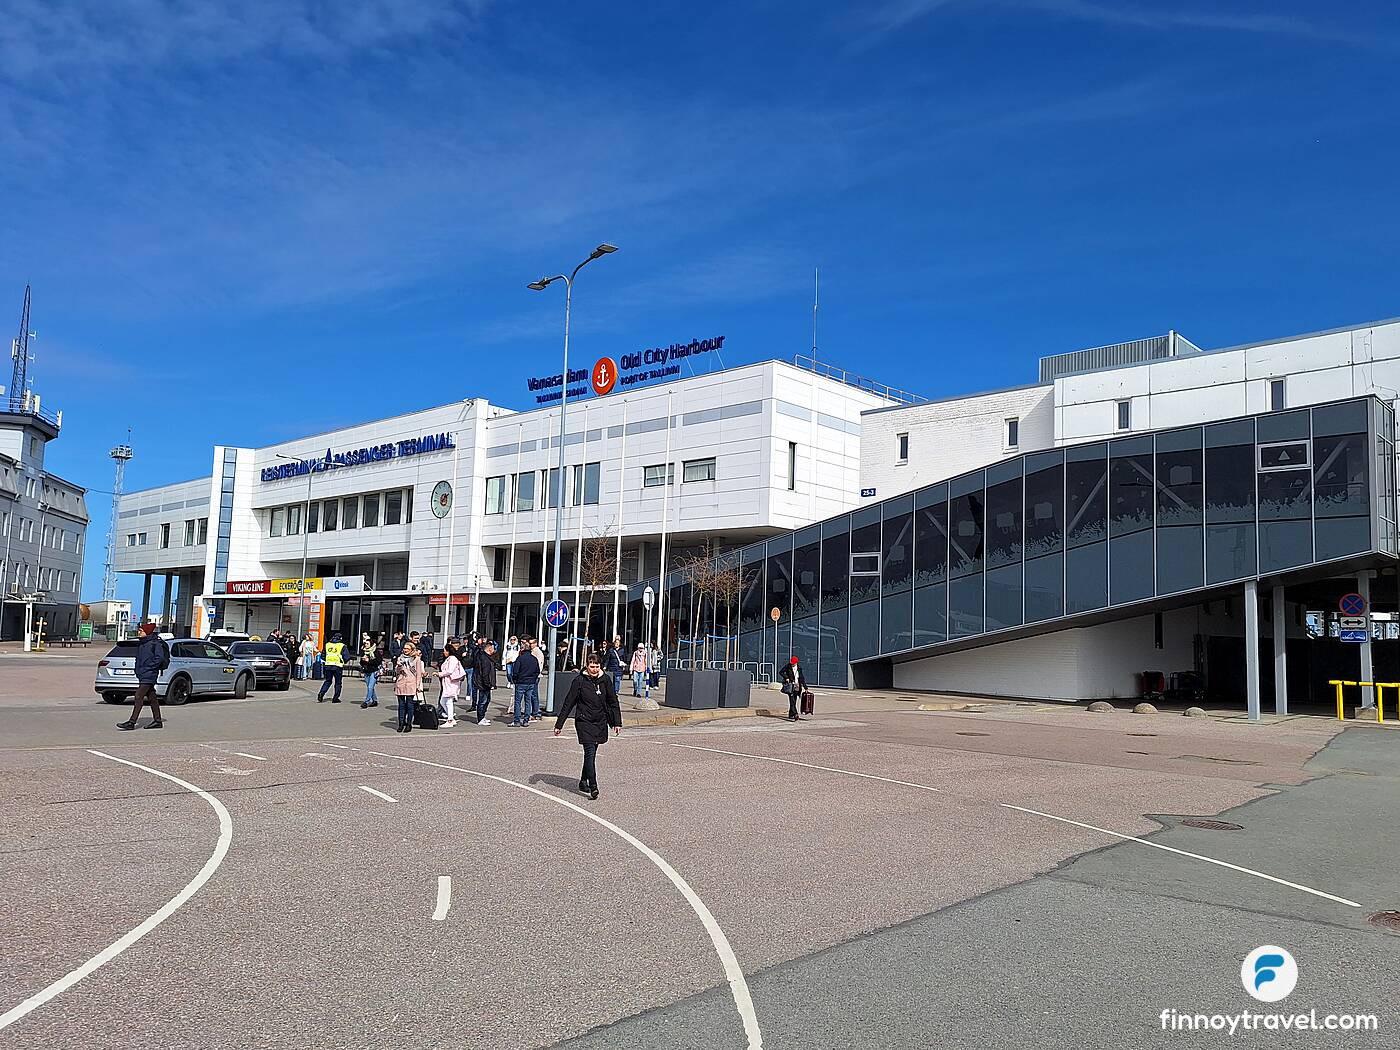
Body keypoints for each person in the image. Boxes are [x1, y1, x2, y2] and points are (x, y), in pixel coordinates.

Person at [553, 653, 622, 800]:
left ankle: (583, 781)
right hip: (584, 722)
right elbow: (568, 703)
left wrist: (617, 722)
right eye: (592, 666)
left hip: (600, 721)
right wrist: (559, 724)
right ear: (586, 665)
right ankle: (594, 786)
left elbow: (613, 702)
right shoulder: (579, 681)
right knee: (589, 753)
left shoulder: (605, 680)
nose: (595, 669)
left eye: (597, 666)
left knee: (591, 754)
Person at [117, 622, 170, 730]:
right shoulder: (142, 643)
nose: (139, 632)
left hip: (150, 674)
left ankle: (132, 722)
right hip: (143, 674)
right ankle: (157, 721)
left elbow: (159, 658)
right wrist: (138, 669)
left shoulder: (155, 643)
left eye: (141, 631)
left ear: (147, 632)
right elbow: (139, 659)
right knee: (152, 697)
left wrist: (148, 668)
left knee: (138, 696)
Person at [509, 634, 541, 727]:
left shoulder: (520, 659)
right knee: (528, 701)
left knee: (518, 701)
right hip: (530, 682)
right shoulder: (534, 659)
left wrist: (515, 680)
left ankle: (517, 720)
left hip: (521, 682)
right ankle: (526, 720)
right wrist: (533, 679)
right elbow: (537, 671)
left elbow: (515, 671)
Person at [393, 641, 423, 733]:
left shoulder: (416, 659)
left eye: (407, 649)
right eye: (404, 648)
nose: (405, 650)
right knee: (401, 705)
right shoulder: (400, 658)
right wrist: (399, 666)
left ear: (411, 650)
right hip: (401, 683)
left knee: (410, 705)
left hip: (411, 683)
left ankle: (409, 724)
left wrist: (418, 685)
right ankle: (401, 723)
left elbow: (418, 673)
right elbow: (397, 671)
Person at [436, 643, 465, 727]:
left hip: (451, 683)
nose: (444, 652)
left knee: (448, 701)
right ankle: (450, 716)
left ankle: (450, 719)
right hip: (448, 682)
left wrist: (439, 674)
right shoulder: (449, 658)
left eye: (445, 650)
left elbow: (449, 670)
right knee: (443, 701)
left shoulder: (452, 659)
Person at [471, 638, 497, 725]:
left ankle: (482, 716)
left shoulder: (487, 657)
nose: (494, 650)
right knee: (483, 700)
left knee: (487, 700)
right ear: (489, 649)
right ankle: (480, 718)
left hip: (485, 683)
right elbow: (485, 673)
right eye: (493, 648)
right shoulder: (484, 659)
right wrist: (488, 684)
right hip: (484, 683)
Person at [318, 633, 347, 703]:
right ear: (340, 638)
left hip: (328, 665)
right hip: (337, 666)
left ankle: (321, 693)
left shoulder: (327, 645)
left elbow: (323, 655)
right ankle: (335, 698)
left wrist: (327, 660)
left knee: (328, 681)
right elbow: (346, 656)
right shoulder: (342, 646)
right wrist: (343, 661)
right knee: (338, 683)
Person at [780, 655, 807, 721]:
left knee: (794, 701)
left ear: (796, 662)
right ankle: (795, 714)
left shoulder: (799, 668)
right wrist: (786, 677)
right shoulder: (788, 666)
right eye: (791, 663)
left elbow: (801, 678)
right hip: (790, 685)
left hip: (797, 686)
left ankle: (790, 714)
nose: (792, 664)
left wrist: (805, 687)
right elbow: (781, 672)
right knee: (792, 700)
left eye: (793, 663)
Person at [360, 639, 384, 708]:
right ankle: (375, 700)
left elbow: (378, 662)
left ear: (371, 644)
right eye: (365, 644)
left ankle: (367, 701)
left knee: (370, 687)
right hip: (367, 671)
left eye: (367, 644)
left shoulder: (376, 652)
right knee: (370, 687)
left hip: (374, 671)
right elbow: (361, 663)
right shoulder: (364, 652)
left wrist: (369, 660)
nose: (366, 645)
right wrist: (363, 660)